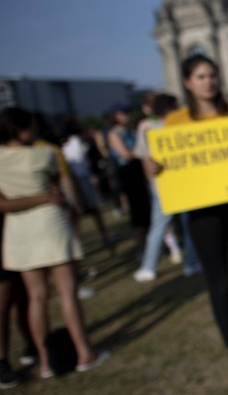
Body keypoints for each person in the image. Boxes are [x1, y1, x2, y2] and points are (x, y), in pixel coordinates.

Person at [0, 108, 109, 379]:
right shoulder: (43, 154)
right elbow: (52, 184)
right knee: (67, 293)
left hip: (18, 228)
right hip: (49, 222)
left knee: (36, 298)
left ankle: (45, 361)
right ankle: (84, 352)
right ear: (20, 129)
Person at [163, 54, 228, 382]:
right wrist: (156, 167)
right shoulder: (175, 123)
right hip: (203, 212)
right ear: (187, 83)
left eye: (212, 75)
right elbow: (169, 164)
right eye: (201, 76)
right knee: (218, 283)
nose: (208, 81)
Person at [0, 169, 54, 389]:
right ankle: (0, 364)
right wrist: (45, 198)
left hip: (16, 237)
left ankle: (32, 345)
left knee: (24, 296)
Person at [133, 93, 200, 281]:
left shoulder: (148, 126)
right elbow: (145, 159)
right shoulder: (150, 127)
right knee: (184, 226)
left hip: (169, 185)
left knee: (164, 227)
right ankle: (190, 263)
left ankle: (150, 266)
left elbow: (142, 157)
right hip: (168, 184)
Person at [61, 120, 114, 252]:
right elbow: (81, 163)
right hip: (81, 181)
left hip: (80, 180)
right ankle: (102, 238)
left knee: (82, 215)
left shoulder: (67, 145)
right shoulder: (75, 142)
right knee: (84, 213)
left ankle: (79, 244)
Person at [106, 105, 151, 257]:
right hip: (128, 173)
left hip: (140, 171)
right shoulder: (114, 133)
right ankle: (141, 248)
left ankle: (148, 246)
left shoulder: (132, 130)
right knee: (137, 213)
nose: (126, 116)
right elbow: (125, 154)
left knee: (146, 212)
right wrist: (140, 152)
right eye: (122, 113)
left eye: (127, 112)